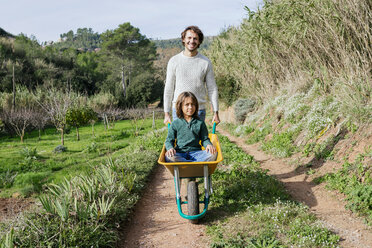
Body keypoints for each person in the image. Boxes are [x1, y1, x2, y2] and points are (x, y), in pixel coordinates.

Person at [163, 25, 220, 124]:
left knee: (198, 140)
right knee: (180, 140)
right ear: (183, 39)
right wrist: (166, 113)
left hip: (199, 111)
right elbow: (169, 88)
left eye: (195, 38)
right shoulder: (174, 61)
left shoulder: (205, 62)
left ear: (199, 41)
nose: (192, 41)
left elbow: (212, 89)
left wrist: (216, 112)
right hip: (178, 111)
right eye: (189, 38)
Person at [165, 91, 217, 162]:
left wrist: (208, 145)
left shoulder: (200, 123)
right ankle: (193, 164)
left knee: (213, 154)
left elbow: (204, 139)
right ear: (180, 106)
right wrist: (170, 148)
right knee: (169, 156)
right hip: (180, 153)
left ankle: (186, 164)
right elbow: (169, 140)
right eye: (187, 104)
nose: (190, 107)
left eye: (192, 104)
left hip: (197, 153)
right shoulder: (175, 123)